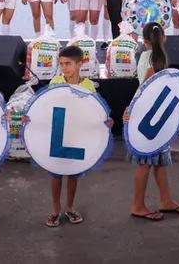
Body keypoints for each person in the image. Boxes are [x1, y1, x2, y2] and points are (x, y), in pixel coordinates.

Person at [123, 22, 179, 221]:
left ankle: (165, 201)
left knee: (159, 162)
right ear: (165, 38)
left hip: (153, 116)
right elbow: (145, 90)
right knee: (145, 164)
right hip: (149, 117)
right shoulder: (155, 59)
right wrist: (131, 109)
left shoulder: (145, 56)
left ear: (144, 40)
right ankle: (137, 205)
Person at [44, 46, 112, 227]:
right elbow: (45, 106)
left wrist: (105, 120)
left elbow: (95, 111)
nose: (64, 68)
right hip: (58, 134)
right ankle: (55, 210)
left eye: (68, 64)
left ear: (80, 64)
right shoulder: (55, 82)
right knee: (56, 173)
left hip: (78, 135)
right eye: (61, 64)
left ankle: (70, 207)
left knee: (74, 173)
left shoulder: (88, 86)